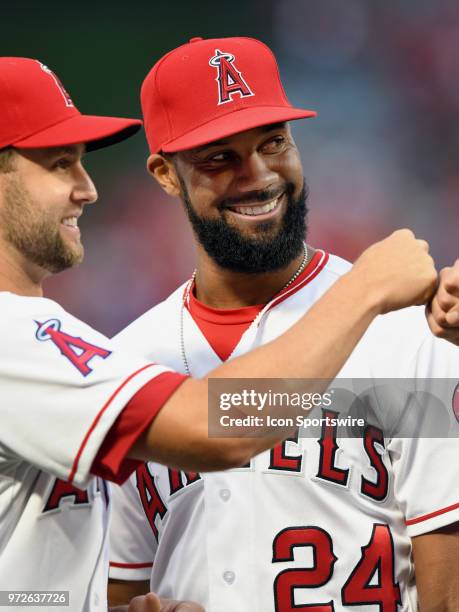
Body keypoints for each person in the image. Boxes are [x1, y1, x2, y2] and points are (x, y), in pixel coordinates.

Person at [0, 57, 434, 612]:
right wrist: (365, 289)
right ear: (166, 173)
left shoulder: (64, 348)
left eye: (274, 141)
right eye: (60, 164)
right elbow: (216, 431)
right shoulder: (24, 338)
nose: (88, 189)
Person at [107, 37, 459, 611]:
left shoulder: (408, 326)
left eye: (273, 143)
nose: (259, 175)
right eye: (219, 157)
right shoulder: (126, 363)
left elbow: (448, 594)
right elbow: (122, 589)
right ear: (165, 175)